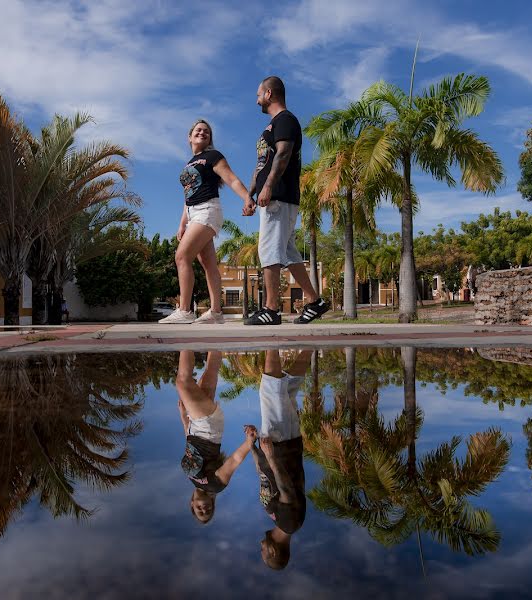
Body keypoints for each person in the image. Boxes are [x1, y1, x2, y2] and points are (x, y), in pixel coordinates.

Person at [243, 76, 329, 326]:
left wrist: (268, 187)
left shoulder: (286, 120)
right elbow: (262, 163)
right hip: (270, 196)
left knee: (268, 249)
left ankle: (271, 309)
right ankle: (315, 301)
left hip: (279, 196)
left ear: (269, 94)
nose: (257, 98)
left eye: (259, 93)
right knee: (289, 253)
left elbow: (283, 154)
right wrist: (250, 193)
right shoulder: (270, 127)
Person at [160, 119, 254, 324]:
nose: (202, 133)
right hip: (194, 213)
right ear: (190, 136)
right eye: (198, 130)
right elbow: (187, 196)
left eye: (207, 132)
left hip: (208, 210)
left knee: (182, 256)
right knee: (208, 263)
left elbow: (231, 179)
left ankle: (184, 310)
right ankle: (216, 313)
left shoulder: (213, 156)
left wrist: (247, 197)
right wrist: (182, 223)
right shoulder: (189, 163)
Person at [176, 350, 257, 523]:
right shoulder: (216, 485)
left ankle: (215, 326)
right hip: (207, 429)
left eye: (199, 510)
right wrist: (249, 442)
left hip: (197, 428)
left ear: (192, 503)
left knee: (210, 371)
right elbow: (234, 460)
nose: (203, 508)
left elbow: (191, 447)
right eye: (208, 510)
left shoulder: (193, 480)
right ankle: (184, 336)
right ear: (213, 503)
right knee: (183, 382)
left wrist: (184, 419)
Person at [251, 348, 310, 569]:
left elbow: (264, 476)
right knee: (272, 390)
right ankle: (271, 334)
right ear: (273, 551)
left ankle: (310, 340)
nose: (261, 545)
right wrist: (271, 456)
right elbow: (286, 490)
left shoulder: (283, 522)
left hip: (279, 445)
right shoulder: (290, 524)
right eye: (263, 552)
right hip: (282, 446)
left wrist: (252, 447)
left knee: (287, 390)